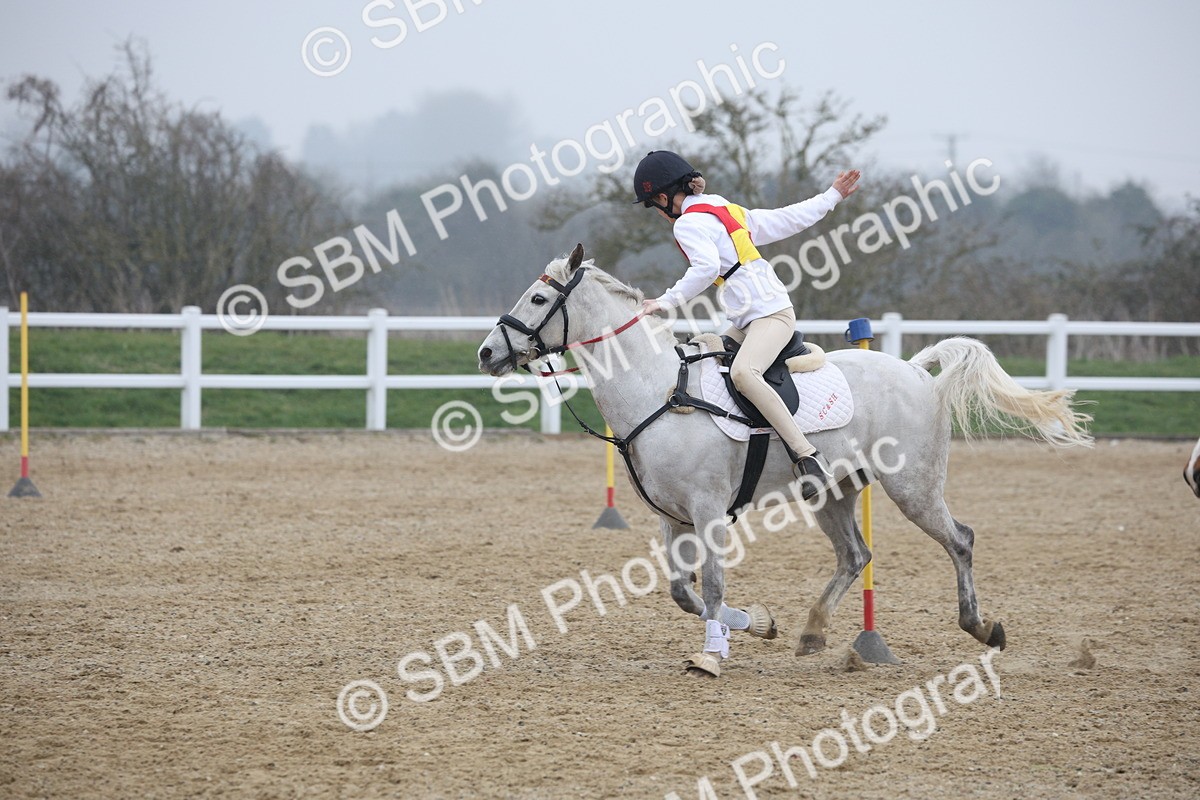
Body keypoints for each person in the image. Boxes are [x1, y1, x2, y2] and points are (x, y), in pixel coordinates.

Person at [633, 150, 860, 498]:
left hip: (769, 315)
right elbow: (786, 219)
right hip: (749, 318)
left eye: (653, 205)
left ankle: (807, 456)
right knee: (705, 355)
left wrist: (665, 300)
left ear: (663, 197)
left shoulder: (687, 223)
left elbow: (706, 268)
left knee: (743, 373)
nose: (659, 214)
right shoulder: (723, 209)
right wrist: (831, 196)